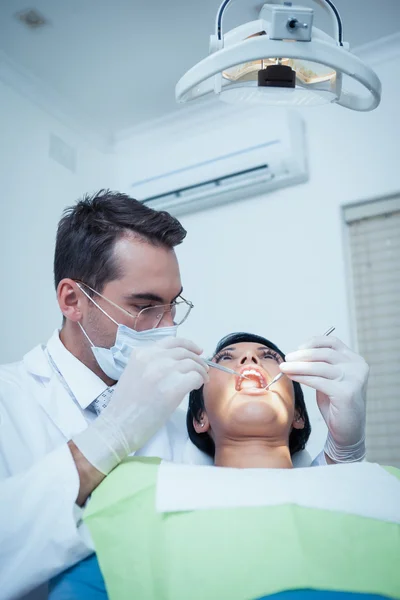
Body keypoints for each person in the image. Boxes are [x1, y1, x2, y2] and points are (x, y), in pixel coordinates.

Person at [0, 191, 368, 600]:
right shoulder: (10, 402)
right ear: (73, 300)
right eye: (146, 306)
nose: (168, 326)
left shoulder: (183, 420)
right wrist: (109, 436)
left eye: (174, 305)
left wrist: (343, 449)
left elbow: (284, 511)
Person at [50, 333, 399, 600]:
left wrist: (347, 456)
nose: (249, 358)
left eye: (269, 357)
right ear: (200, 417)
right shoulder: (133, 486)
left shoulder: (385, 488)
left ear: (298, 416)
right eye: (226, 358)